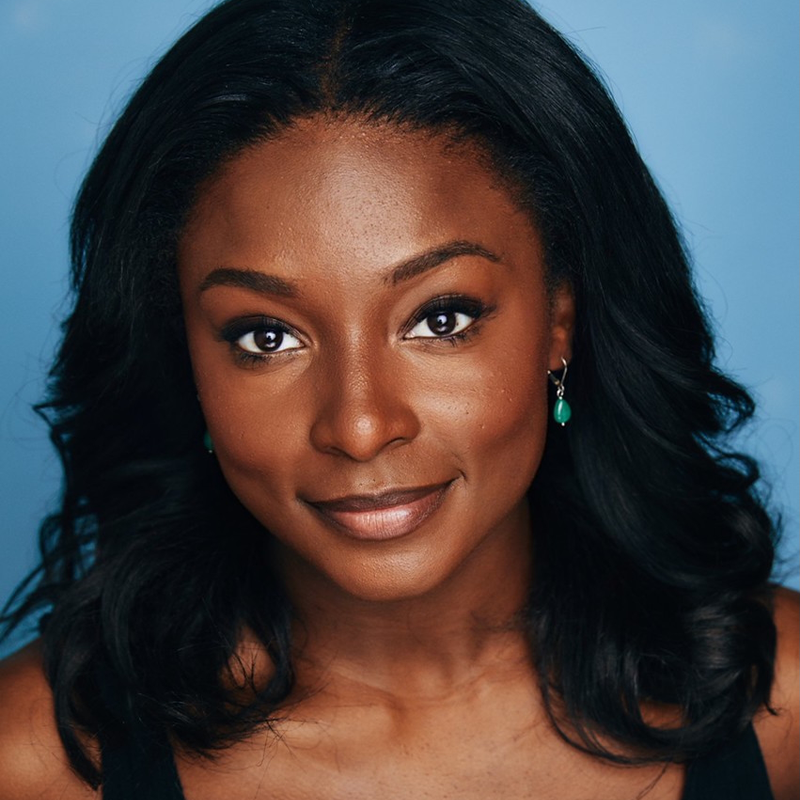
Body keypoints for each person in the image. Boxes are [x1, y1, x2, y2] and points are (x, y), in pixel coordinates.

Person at [0, 0, 797, 797]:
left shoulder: (783, 702)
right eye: (266, 336)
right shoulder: (33, 758)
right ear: (185, 360)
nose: (359, 426)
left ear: (561, 320)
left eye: (440, 318)